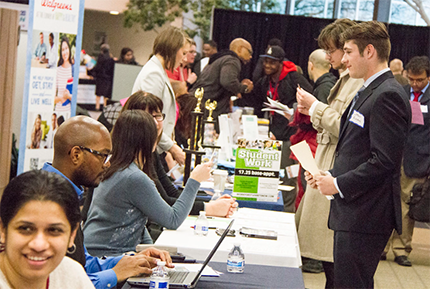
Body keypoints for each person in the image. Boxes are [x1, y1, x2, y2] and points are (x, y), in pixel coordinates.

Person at [307, 21, 411, 288]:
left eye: (349, 51)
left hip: (367, 214)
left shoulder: (387, 94)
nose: (344, 59)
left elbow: (384, 161)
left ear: (369, 52)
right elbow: (356, 149)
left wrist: (338, 184)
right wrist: (327, 176)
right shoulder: (367, 90)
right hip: (354, 211)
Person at [42, 115, 172, 289]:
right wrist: (115, 273)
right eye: (102, 155)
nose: (107, 164)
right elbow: (63, 283)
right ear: (76, 155)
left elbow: (82, 264)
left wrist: (130, 260)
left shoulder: (66, 194)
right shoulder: (45, 200)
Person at [83, 110, 212, 256]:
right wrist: (194, 180)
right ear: (147, 140)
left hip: (99, 252)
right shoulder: (133, 177)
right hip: (107, 257)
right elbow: (173, 219)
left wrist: (150, 250)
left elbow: (134, 221)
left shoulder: (114, 167)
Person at [294, 18, 363, 284]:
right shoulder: (344, 80)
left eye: (336, 51)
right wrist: (311, 111)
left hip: (335, 170)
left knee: (334, 264)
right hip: (326, 166)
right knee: (329, 263)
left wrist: (314, 108)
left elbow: (346, 128)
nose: (331, 56)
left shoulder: (356, 82)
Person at [121, 91, 238, 217]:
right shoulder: (129, 160)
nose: (154, 122)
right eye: (148, 116)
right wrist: (208, 206)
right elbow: (166, 207)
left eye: (157, 116)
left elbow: (171, 193)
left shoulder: (150, 152)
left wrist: (213, 203)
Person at [0, 170, 94, 288]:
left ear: (72, 235)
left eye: (54, 230)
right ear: (2, 229)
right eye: (25, 229)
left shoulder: (72, 275)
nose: (39, 245)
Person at [248, 45, 313, 213]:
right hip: (276, 136)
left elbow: (311, 98)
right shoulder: (265, 82)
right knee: (279, 176)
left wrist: (297, 113)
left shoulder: (294, 78)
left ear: (280, 63)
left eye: (272, 62)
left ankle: (289, 212)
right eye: (265, 62)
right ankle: (283, 209)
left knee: (291, 178)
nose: (267, 65)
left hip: (294, 136)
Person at [383, 56, 430, 267]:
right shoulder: (400, 93)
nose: (415, 84)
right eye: (411, 79)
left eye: (419, 80)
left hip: (419, 159)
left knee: (408, 205)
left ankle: (402, 249)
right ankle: (382, 247)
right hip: (394, 155)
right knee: (387, 203)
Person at [132, 26, 188, 166]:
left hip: (155, 148)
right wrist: (172, 148)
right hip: (148, 148)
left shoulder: (157, 71)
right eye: (183, 52)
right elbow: (150, 120)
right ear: (174, 48)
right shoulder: (154, 74)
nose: (184, 58)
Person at [190, 38, 254, 132]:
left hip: (200, 104)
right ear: (240, 49)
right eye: (249, 52)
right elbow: (228, 82)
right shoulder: (232, 60)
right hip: (208, 108)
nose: (251, 56)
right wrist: (244, 88)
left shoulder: (220, 58)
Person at [92, 44, 115, 111]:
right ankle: (105, 108)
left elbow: (97, 68)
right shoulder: (110, 59)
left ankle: (97, 107)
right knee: (106, 96)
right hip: (107, 79)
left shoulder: (100, 58)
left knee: (98, 95)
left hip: (100, 79)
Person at [55, 36, 74, 113]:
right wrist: (61, 98)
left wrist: (68, 96)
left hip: (70, 113)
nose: (65, 52)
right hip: (58, 111)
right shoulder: (58, 70)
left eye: (66, 48)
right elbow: (52, 98)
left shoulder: (73, 70)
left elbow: (76, 98)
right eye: (63, 50)